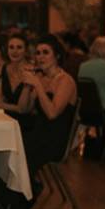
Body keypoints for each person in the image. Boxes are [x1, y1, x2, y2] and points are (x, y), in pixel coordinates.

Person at [19, 35, 78, 179]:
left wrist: (37, 85)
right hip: (39, 133)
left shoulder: (66, 80)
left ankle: (23, 194)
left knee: (20, 152)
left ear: (56, 55)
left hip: (55, 140)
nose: (40, 57)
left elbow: (52, 113)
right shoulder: (41, 78)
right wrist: (27, 85)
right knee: (12, 145)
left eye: (46, 52)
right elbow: (23, 109)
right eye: (38, 53)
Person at [0, 34, 32, 118]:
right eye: (11, 47)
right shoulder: (5, 68)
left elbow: (23, 109)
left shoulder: (32, 71)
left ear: (26, 51)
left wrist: (2, 105)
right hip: (5, 117)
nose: (14, 51)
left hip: (24, 123)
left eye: (19, 47)